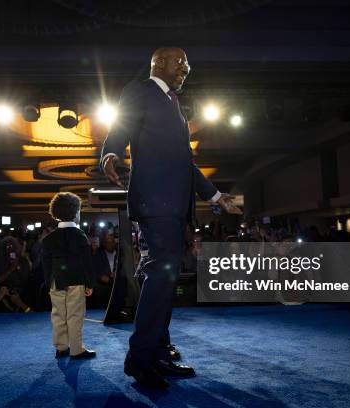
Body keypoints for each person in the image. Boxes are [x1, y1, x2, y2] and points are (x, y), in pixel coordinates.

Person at [101, 47, 242, 388]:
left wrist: (216, 196)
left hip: (176, 208)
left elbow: (186, 164)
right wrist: (110, 151)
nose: (186, 68)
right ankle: (140, 359)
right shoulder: (141, 90)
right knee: (160, 279)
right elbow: (121, 121)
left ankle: (160, 354)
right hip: (156, 203)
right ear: (159, 62)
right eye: (181, 62)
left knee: (165, 283)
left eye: (188, 64)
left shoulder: (175, 106)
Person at [41, 192, 95, 360]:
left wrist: (48, 282)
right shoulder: (80, 236)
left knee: (58, 314)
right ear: (75, 212)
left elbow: (46, 265)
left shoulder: (48, 238)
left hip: (56, 281)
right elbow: (87, 262)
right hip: (77, 280)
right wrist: (90, 283)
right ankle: (77, 349)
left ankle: (61, 347)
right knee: (75, 315)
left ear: (54, 212)